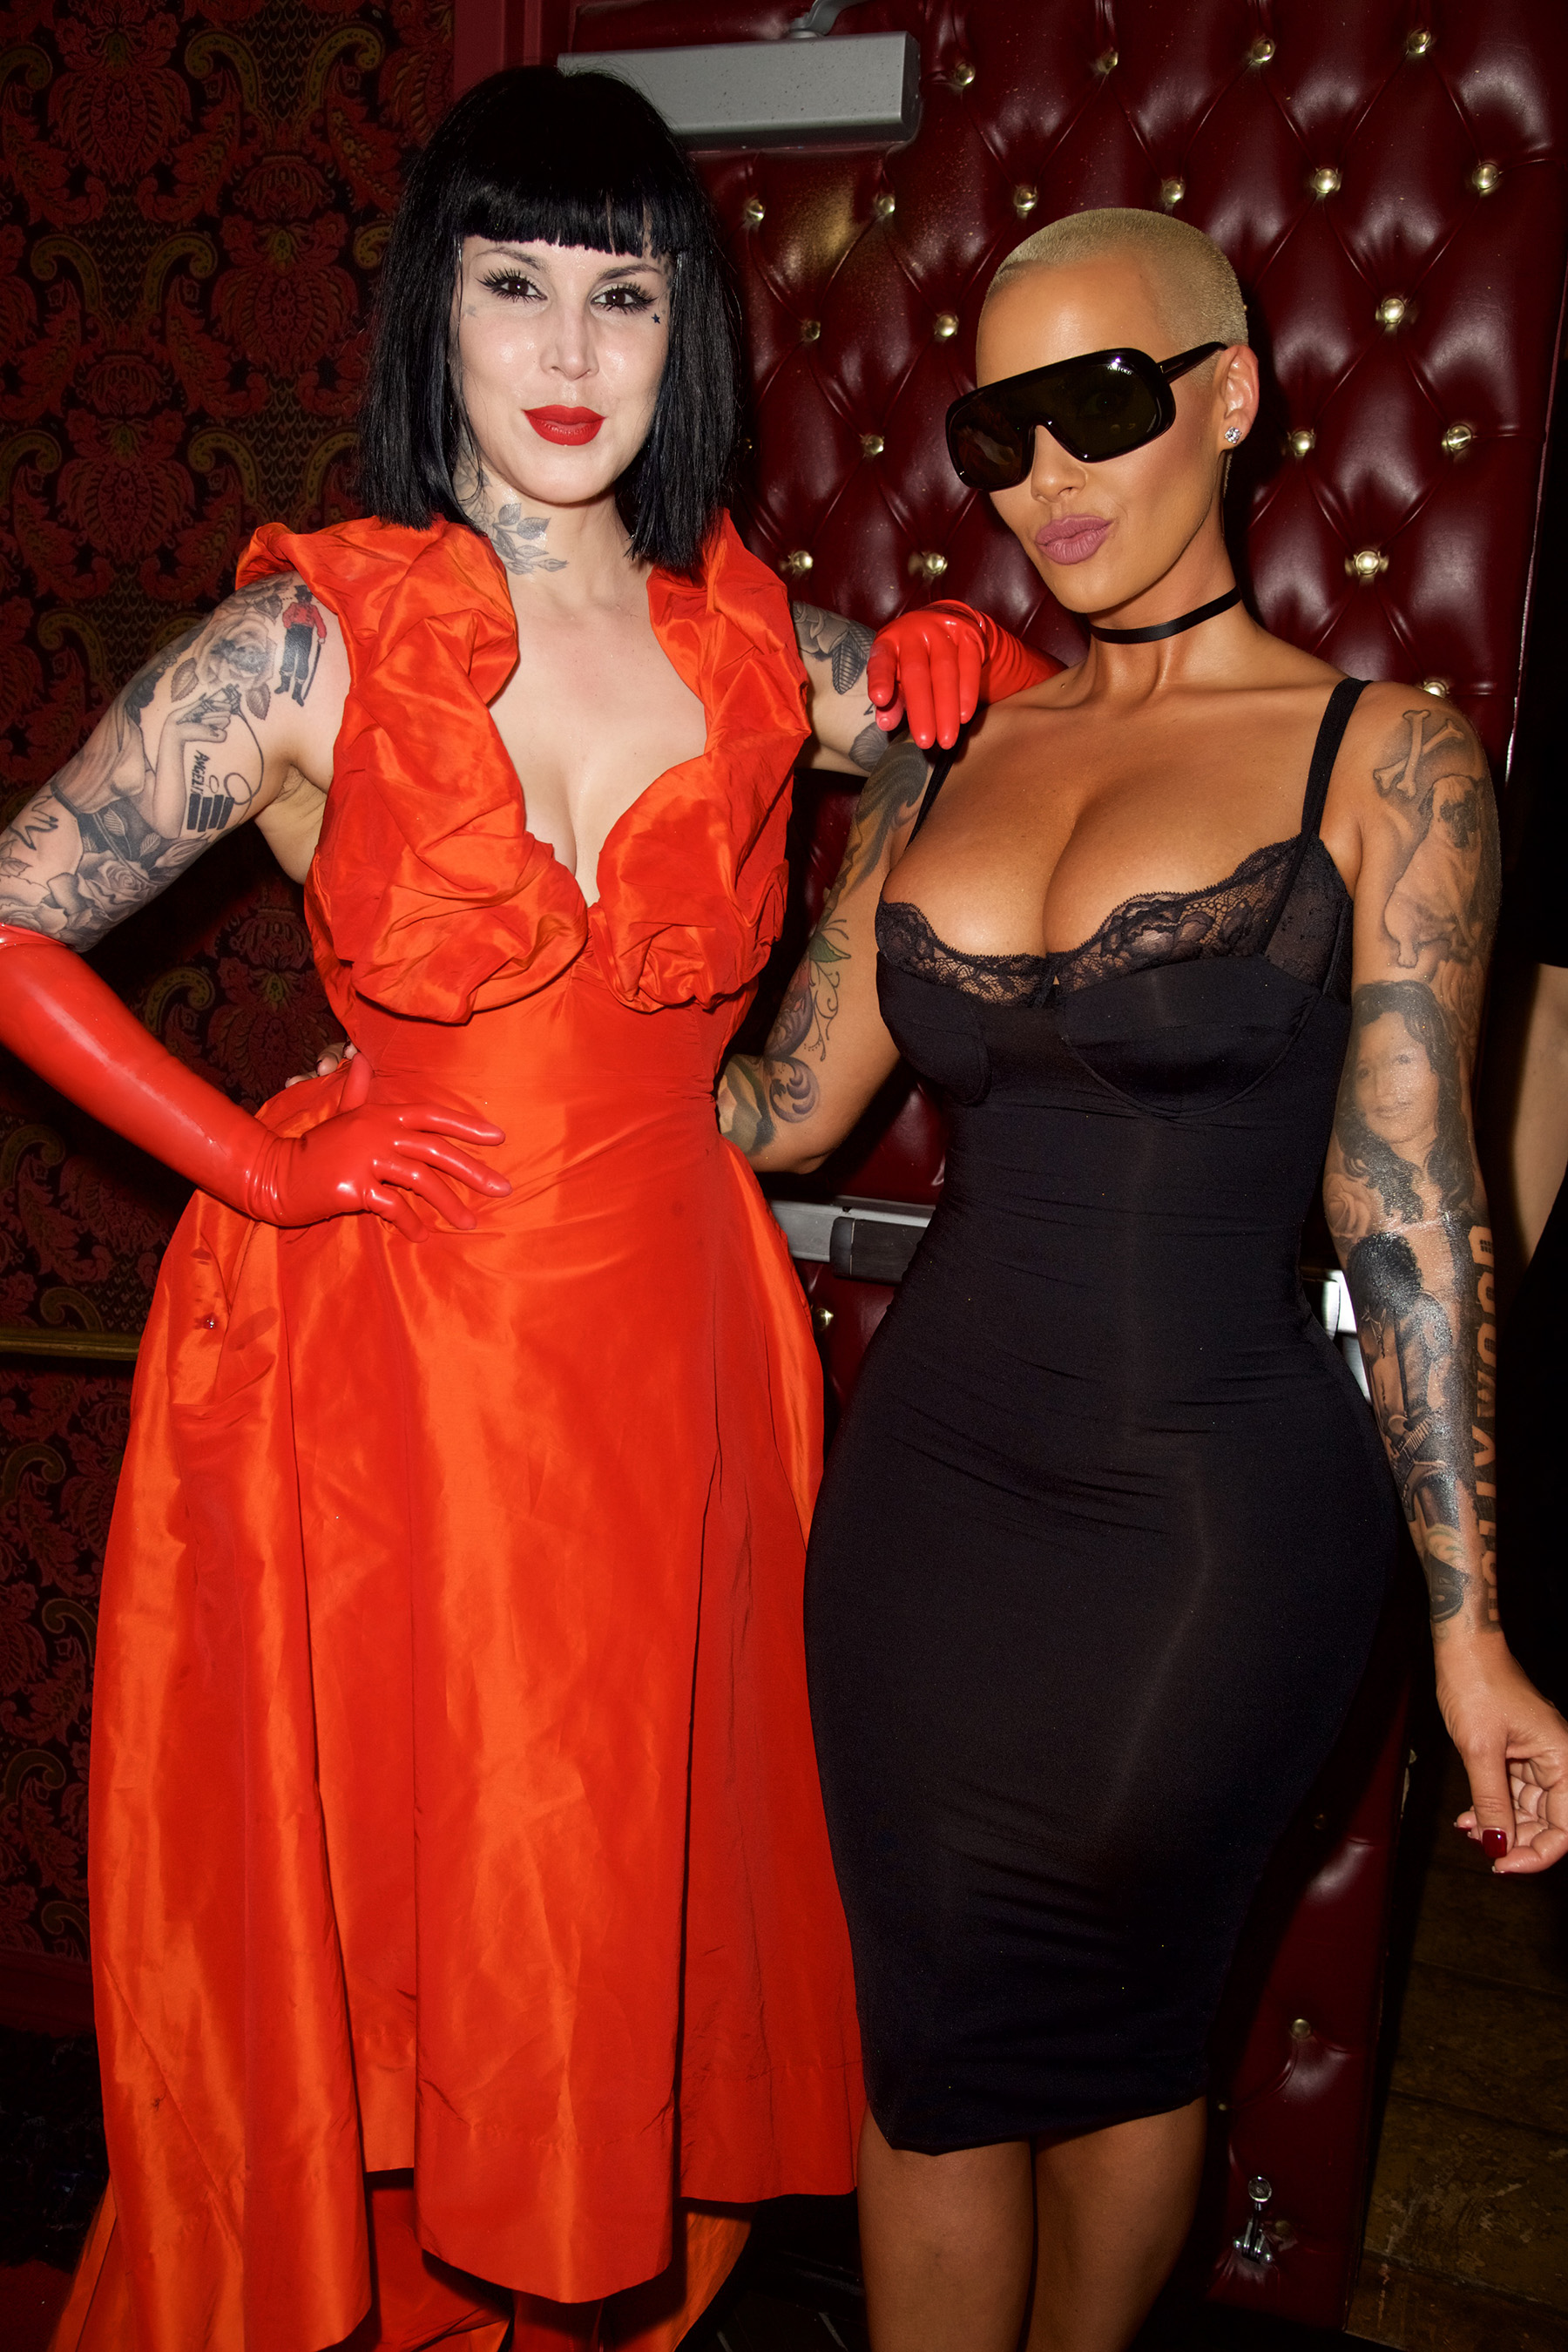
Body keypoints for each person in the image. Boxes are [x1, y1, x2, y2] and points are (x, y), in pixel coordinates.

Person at [0, 63, 954, 2352]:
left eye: (623, 295)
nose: (566, 349)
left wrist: (951, 693)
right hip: (397, 1367)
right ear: (433, 309)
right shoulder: (313, 640)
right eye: (512, 284)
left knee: (616, 1872)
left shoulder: (759, 645)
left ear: (686, 330)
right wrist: (259, 1159)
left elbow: (964, 753)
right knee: (425, 1881)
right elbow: (12, 924)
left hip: (674, 1350)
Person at [718, 206, 1568, 2352]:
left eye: (1101, 405)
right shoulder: (948, 753)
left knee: (1107, 2026)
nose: (1049, 478)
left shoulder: (1385, 759)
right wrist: (480, 1032)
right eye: (996, 433)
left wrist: (1474, 1632)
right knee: (925, 2043)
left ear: (1230, 395)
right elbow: (782, 1109)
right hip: (925, 1506)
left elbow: (1413, 1207)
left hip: (1215, 1518)